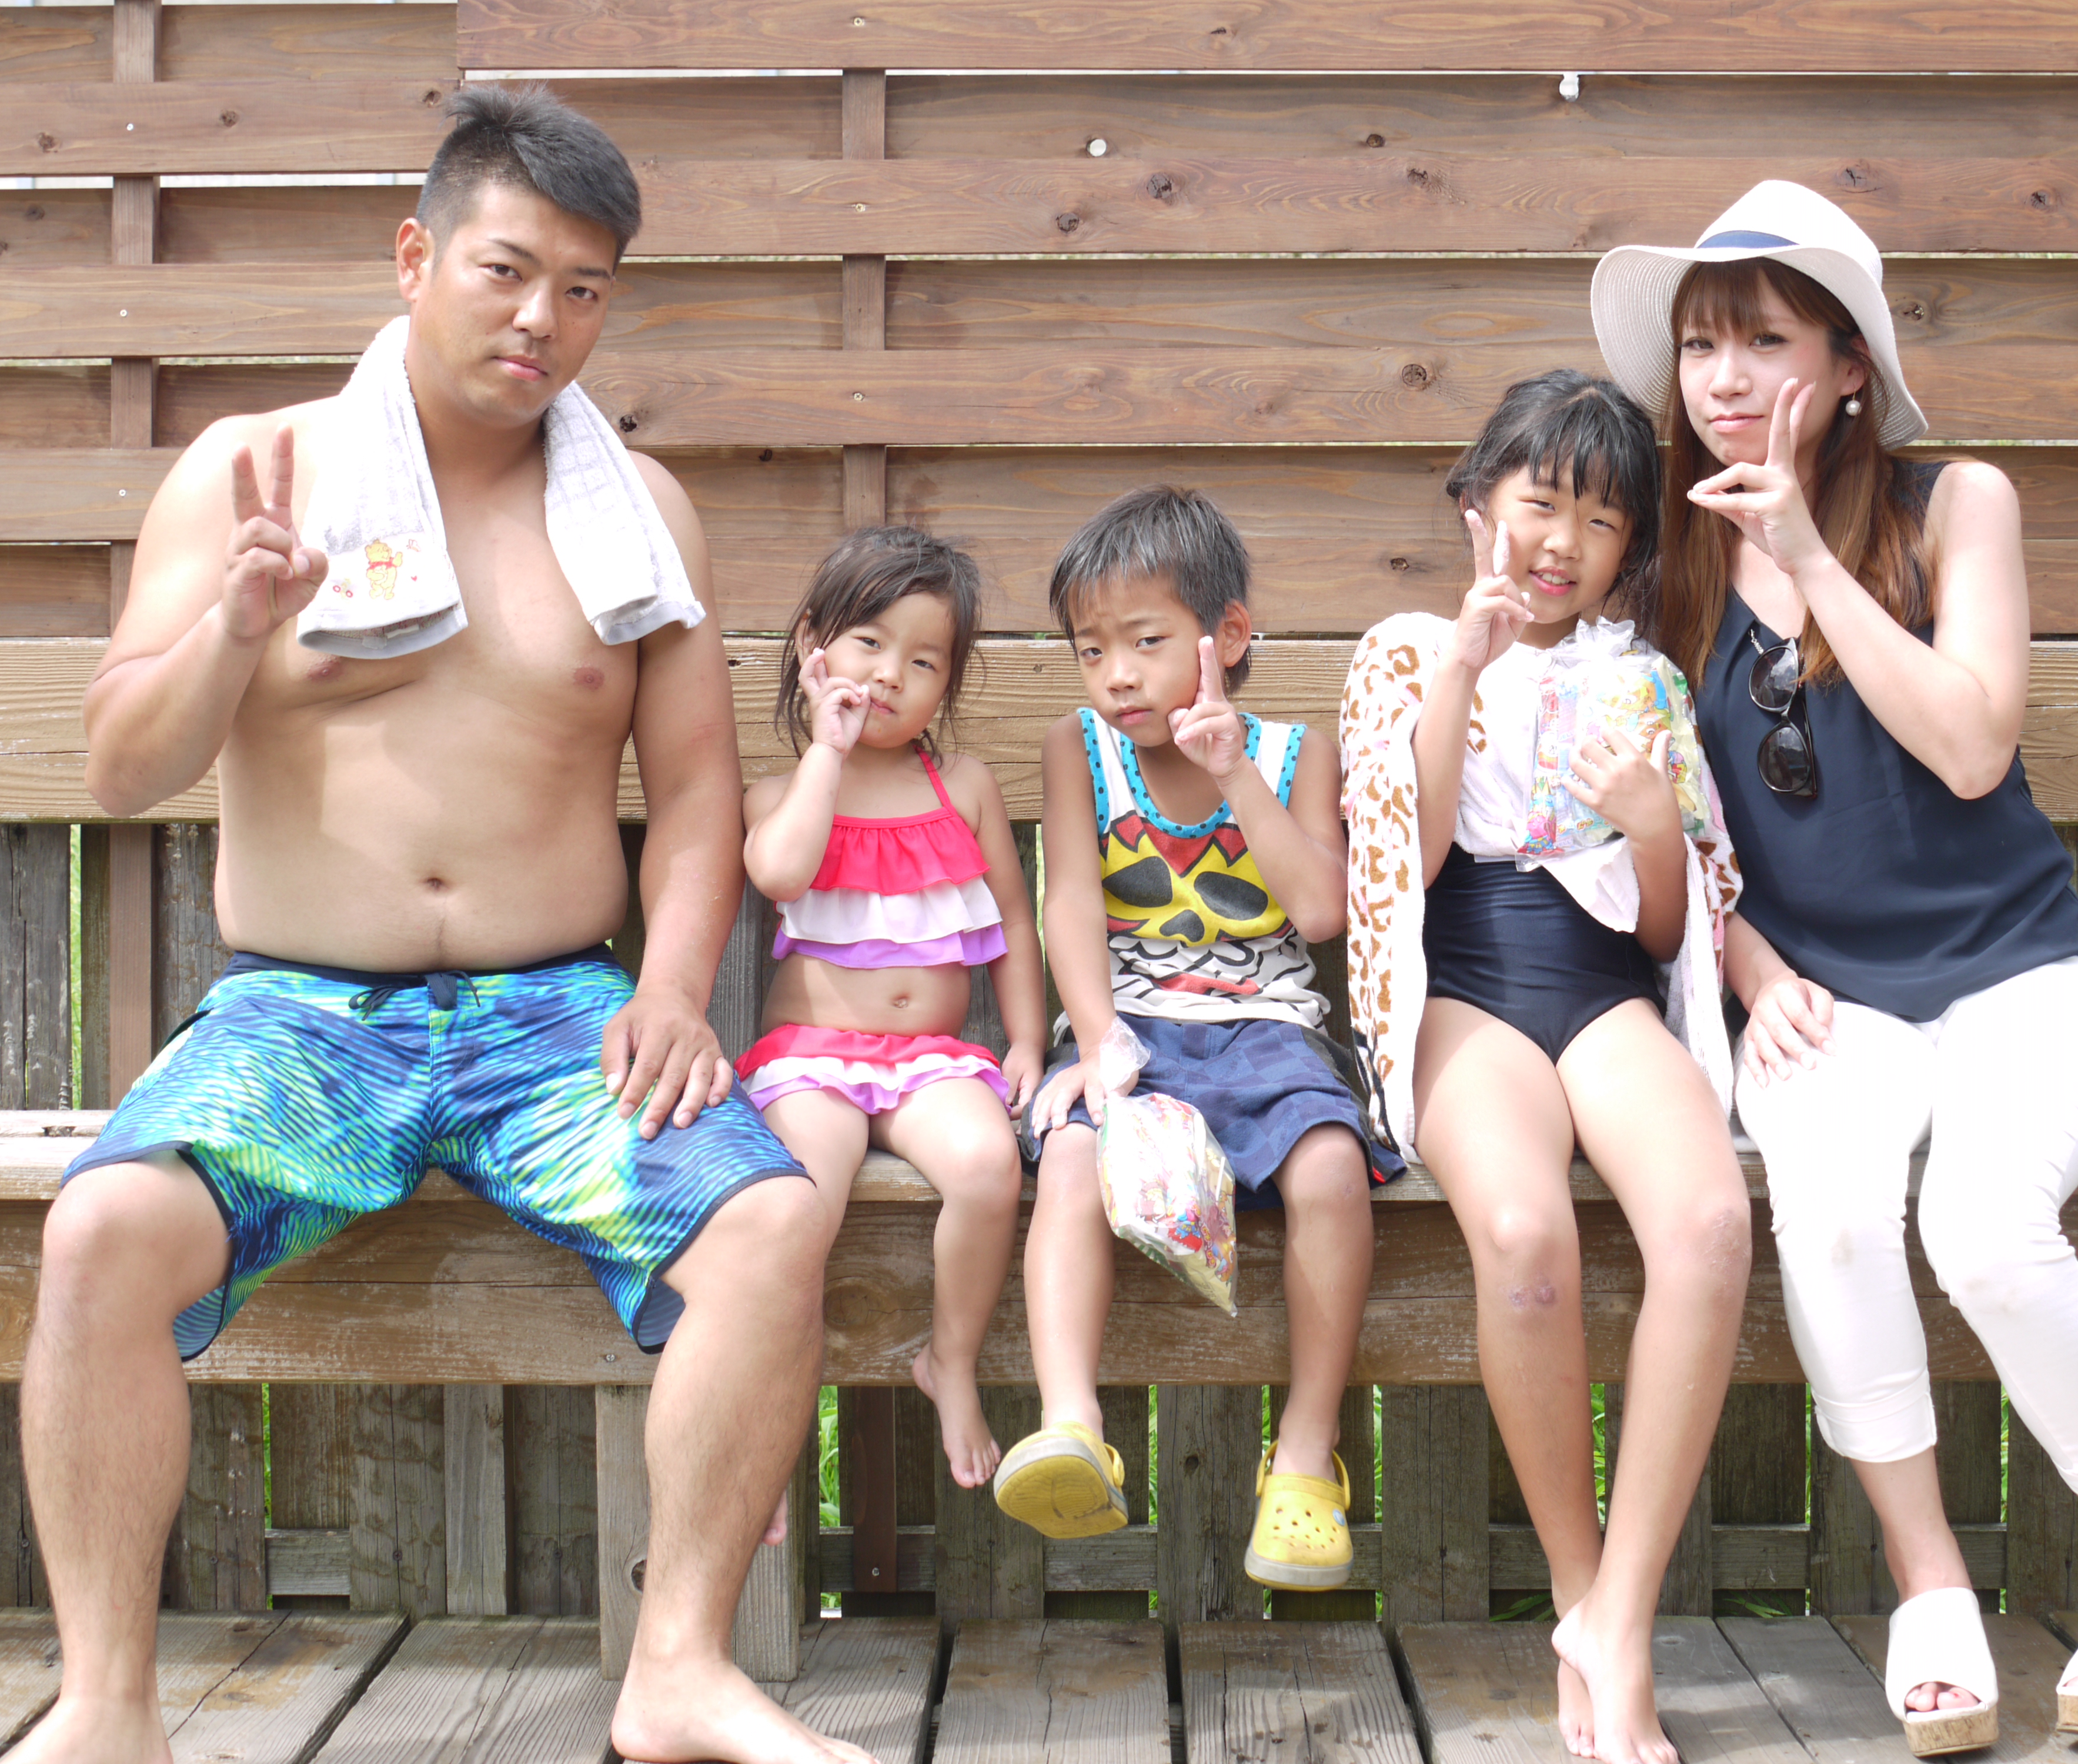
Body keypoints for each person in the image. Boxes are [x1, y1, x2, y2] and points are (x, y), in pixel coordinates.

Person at [43, 88, 873, 1764]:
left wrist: (671, 989)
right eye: (507, 270)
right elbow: (123, 768)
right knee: (99, 1233)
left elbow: (696, 794)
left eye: (584, 288)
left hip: (555, 1015)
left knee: (770, 1226)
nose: (541, 318)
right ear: (416, 256)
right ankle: (110, 1709)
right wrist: (238, 623)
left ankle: (677, 1672)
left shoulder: (640, 513)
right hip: (303, 1015)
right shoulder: (255, 474)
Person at [1593, 179, 2078, 1756]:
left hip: (2013, 976)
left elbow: (1971, 744)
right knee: (1838, 1219)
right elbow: (1662, 817)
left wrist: (1806, 549)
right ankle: (1929, 1585)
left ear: (1848, 366)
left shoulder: (1952, 508)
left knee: (1985, 1232)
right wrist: (1749, 963)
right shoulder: (1665, 568)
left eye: (1764, 342)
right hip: (1823, 1005)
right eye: (1700, 347)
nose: (1724, 378)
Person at [1342, 370, 1749, 1764]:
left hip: (1601, 984)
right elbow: (1413, 860)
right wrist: (1463, 666)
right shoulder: (1402, 653)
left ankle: (1620, 1613)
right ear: (1476, 503)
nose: (1561, 542)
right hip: (1463, 981)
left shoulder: (1644, 677)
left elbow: (1667, 931)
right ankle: (1581, 1597)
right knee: (1521, 1237)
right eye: (1539, 503)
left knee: (1707, 1222)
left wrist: (1650, 823)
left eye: (1599, 519)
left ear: (1628, 544)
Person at [997, 486, 1399, 1592]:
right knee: (1070, 1156)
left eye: (1145, 641)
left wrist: (1232, 771)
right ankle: (1073, 1427)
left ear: (1225, 636)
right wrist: (1097, 1039)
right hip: (1130, 1025)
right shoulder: (1079, 748)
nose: (1116, 675)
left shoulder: (1294, 753)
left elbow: (1320, 909)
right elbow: (1071, 901)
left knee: (1331, 1168)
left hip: (1266, 1030)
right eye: (1091, 650)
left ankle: (1306, 1456)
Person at [737, 527, 1044, 1490]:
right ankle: (772, 1409)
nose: (890, 675)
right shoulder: (782, 793)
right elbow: (780, 872)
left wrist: (1026, 1039)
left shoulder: (965, 786)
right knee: (802, 1197)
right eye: (869, 644)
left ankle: (949, 1360)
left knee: (989, 1168)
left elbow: (1016, 922)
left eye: (924, 661)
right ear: (812, 646)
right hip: (811, 1060)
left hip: (929, 1062)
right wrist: (826, 753)